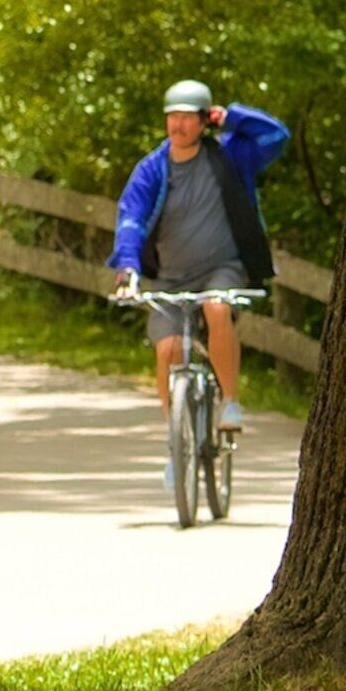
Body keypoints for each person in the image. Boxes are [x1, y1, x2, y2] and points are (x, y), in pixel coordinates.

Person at [109, 82, 288, 442]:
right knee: (169, 349)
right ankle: (176, 438)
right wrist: (127, 266)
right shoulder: (152, 170)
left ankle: (231, 402)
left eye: (188, 118)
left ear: (205, 121)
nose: (178, 125)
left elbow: (277, 136)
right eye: (172, 116)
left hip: (223, 268)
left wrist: (233, 117)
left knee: (216, 307)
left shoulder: (230, 157)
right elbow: (132, 218)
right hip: (171, 278)